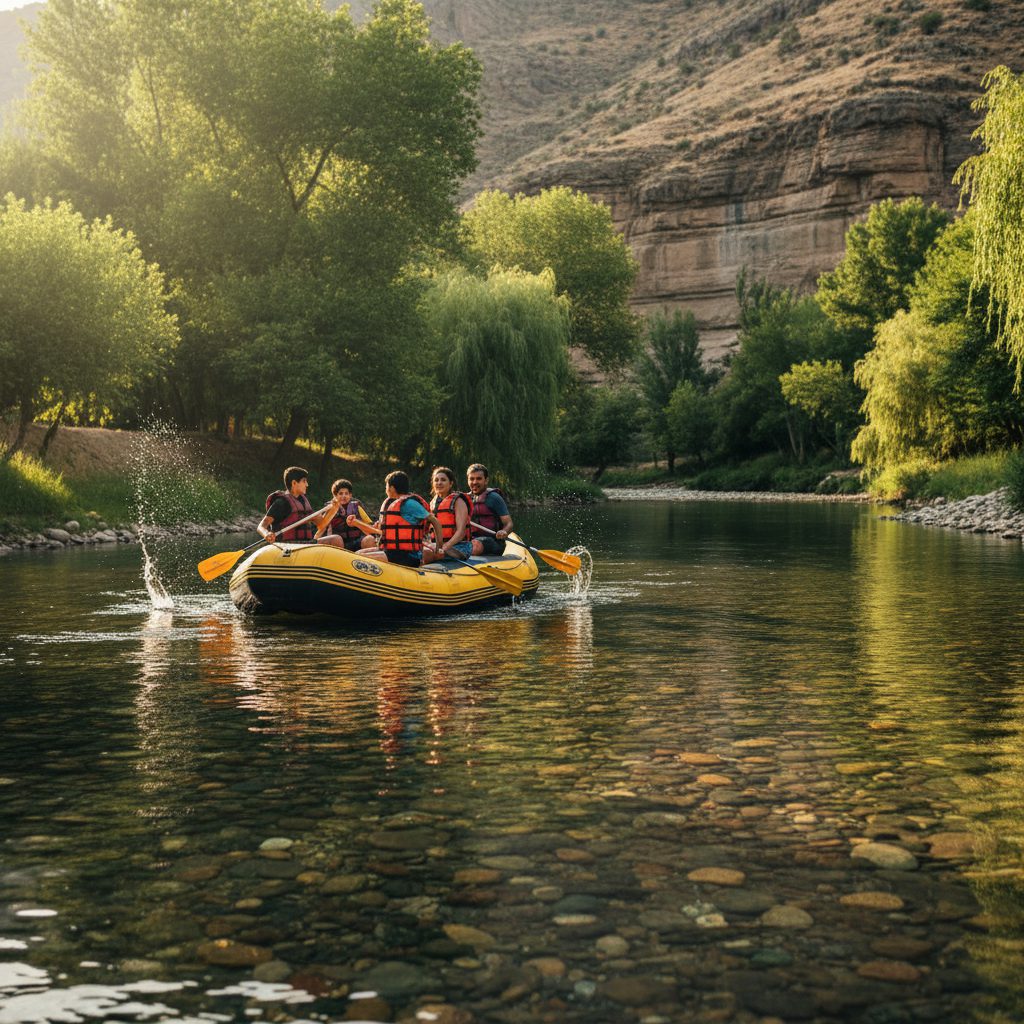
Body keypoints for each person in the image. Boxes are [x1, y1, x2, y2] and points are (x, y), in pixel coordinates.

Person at [351, 470, 443, 568]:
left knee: (360, 560)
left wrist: (438, 547)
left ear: (392, 488)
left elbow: (435, 521)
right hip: (392, 552)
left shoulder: (409, 504)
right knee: (357, 554)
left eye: (386, 486)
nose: (385, 489)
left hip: (408, 555)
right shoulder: (394, 504)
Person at [258, 466, 330, 544]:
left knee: (336, 540)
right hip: (287, 546)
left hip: (305, 543)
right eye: (304, 481)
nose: (307, 484)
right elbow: (261, 526)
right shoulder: (281, 502)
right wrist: (266, 534)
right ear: (294, 483)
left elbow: (322, 524)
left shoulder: (303, 501)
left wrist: (334, 508)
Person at [422, 466, 472, 565]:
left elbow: (461, 532)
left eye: (443, 480)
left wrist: (443, 548)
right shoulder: (432, 503)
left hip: (459, 547)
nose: (439, 483)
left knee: (423, 554)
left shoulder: (459, 501)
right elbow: (426, 532)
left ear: (451, 483)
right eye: (436, 480)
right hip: (438, 546)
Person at [466, 463, 513, 556]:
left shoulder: (494, 498)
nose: (475, 482)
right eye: (471, 479)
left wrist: (504, 531)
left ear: (486, 480)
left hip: (494, 542)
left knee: (475, 544)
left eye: (479, 478)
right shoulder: (464, 499)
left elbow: (509, 523)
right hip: (471, 541)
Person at [315, 478, 369, 551]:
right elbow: (321, 528)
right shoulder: (330, 508)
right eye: (340, 493)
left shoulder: (357, 507)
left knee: (370, 539)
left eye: (346, 493)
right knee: (338, 539)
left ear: (350, 495)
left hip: (356, 541)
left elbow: (368, 525)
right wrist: (314, 540)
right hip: (337, 543)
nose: (344, 496)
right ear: (335, 495)